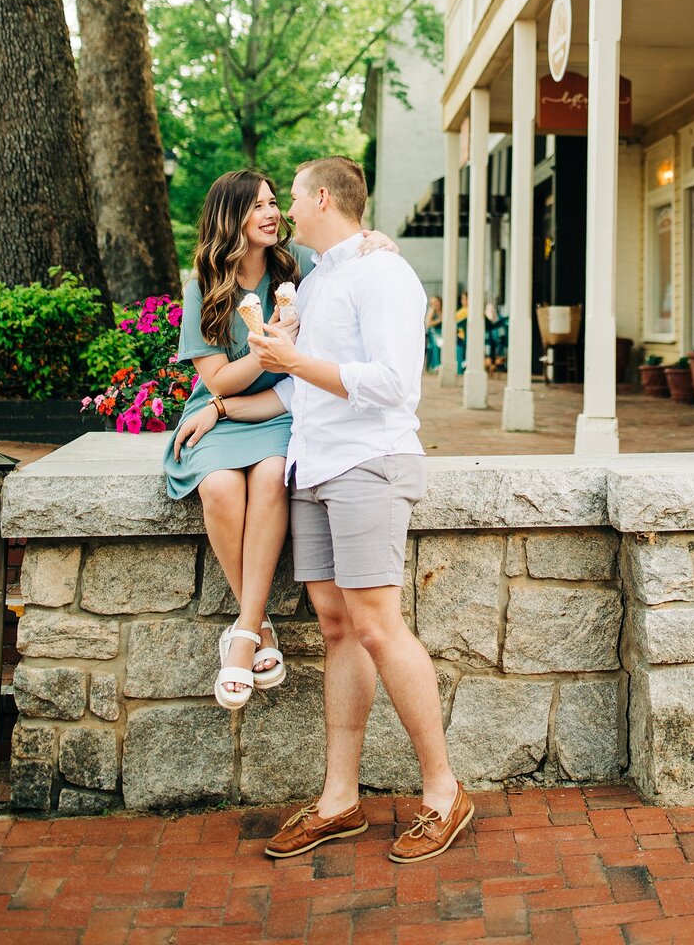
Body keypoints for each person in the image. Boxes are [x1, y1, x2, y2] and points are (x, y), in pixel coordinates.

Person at [174, 155, 472, 865]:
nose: (283, 214)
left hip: (368, 465)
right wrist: (222, 407)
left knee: (377, 624)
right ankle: (341, 800)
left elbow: (396, 386)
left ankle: (443, 791)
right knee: (339, 627)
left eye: (292, 199)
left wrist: (294, 361)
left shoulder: (383, 273)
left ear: (324, 198)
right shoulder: (314, 280)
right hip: (313, 465)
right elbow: (294, 393)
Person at [165, 169, 392, 710]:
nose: (273, 214)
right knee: (219, 488)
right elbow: (216, 379)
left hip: (281, 408)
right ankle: (259, 623)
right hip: (218, 410)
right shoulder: (204, 284)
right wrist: (268, 351)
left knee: (270, 476)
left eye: (274, 203)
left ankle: (242, 631)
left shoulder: (299, 269)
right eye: (258, 207)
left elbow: (355, 252)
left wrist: (380, 240)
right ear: (230, 218)